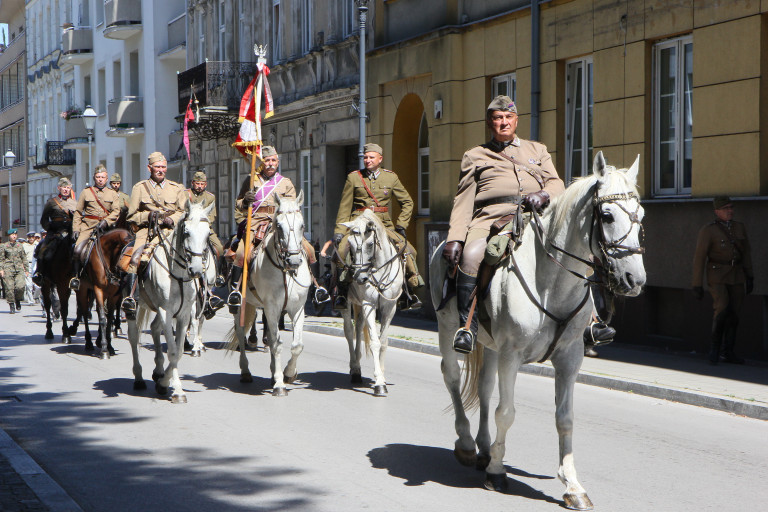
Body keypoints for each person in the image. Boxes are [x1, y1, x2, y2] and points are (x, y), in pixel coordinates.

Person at [442, 95, 565, 353]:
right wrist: (455, 237)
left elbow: (556, 184)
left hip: (534, 215)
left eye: (508, 117)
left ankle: (590, 321)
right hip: (490, 218)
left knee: (571, 247)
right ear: (489, 122)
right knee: (471, 256)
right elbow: (464, 200)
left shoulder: (536, 150)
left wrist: (543, 195)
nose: (504, 122)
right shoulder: (475, 155)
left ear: (516, 120)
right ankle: (467, 328)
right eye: (498, 118)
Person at [332, 142, 423, 311]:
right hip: (358, 223)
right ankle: (342, 293)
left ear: (380, 159)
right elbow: (345, 207)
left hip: (383, 224)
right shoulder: (354, 178)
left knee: (409, 250)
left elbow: (407, 202)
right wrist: (339, 231)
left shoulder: (391, 178)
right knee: (343, 252)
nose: (367, 160)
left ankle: (408, 292)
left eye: (371, 157)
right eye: (365, 157)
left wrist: (401, 224)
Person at [228, 146, 297, 307]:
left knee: (305, 248)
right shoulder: (252, 180)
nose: (270, 164)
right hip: (256, 221)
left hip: (279, 222)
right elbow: (238, 204)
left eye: (273, 160)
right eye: (267, 160)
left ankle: (315, 287)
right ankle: (235, 290)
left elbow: (293, 205)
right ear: (262, 162)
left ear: (278, 162)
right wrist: (246, 200)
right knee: (242, 253)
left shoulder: (285, 183)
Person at [121, 152, 187, 317]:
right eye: (157, 167)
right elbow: (131, 216)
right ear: (149, 168)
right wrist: (148, 216)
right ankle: (132, 299)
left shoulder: (177, 188)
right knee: (136, 259)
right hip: (147, 231)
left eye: (163, 167)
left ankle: (204, 296)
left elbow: (183, 211)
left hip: (171, 231)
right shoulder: (140, 188)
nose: (161, 170)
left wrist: (172, 219)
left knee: (193, 255)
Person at [692, 196, 753, 365]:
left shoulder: (739, 227)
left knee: (734, 314)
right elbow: (699, 258)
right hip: (717, 275)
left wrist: (750, 275)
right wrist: (697, 284)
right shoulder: (708, 230)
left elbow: (747, 253)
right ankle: (715, 350)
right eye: (726, 208)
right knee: (722, 309)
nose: (730, 211)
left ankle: (729, 352)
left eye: (731, 207)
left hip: (737, 274)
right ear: (717, 211)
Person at [69, 164, 121, 290]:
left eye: (103, 177)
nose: (100, 179)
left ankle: (119, 277)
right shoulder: (86, 192)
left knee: (120, 250)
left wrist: (106, 221)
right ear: (94, 177)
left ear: (107, 178)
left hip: (106, 228)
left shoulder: (112, 194)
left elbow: (116, 211)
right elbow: (78, 212)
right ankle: (76, 277)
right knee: (77, 249)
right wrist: (76, 228)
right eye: (98, 177)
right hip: (88, 227)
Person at [186, 169, 225, 315]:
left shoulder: (210, 197)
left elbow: (212, 216)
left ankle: (219, 274)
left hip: (204, 228)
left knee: (219, 248)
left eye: (202, 184)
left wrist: (203, 225)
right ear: (192, 183)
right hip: (189, 228)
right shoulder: (185, 194)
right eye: (197, 183)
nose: (200, 186)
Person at [33, 177, 77, 285]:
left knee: (80, 251)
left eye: (68, 188)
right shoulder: (52, 202)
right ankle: (40, 273)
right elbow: (44, 219)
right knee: (43, 249)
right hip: (55, 232)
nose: (66, 190)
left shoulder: (75, 203)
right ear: (59, 188)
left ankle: (77, 276)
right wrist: (51, 229)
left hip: (71, 232)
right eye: (63, 187)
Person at [0, 229, 29, 313]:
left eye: (15, 235)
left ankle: (18, 299)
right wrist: (1, 269)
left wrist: (26, 269)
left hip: (19, 269)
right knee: (9, 288)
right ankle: (11, 304)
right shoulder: (4, 246)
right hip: (8, 269)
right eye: (12, 234)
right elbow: (1, 259)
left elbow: (24, 258)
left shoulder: (20, 245)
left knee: (21, 286)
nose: (14, 236)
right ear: (9, 236)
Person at [22, 232, 37, 304]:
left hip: (36, 264)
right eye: (29, 237)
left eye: (32, 237)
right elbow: (22, 256)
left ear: (34, 237)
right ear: (27, 238)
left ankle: (36, 297)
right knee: (28, 284)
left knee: (37, 285)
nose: (31, 239)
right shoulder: (24, 245)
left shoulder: (37, 244)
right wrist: (23, 266)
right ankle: (31, 300)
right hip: (28, 264)